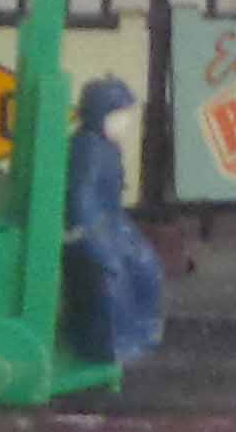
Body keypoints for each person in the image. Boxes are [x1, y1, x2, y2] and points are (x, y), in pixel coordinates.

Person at [64, 77, 169, 365]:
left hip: (114, 222)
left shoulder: (108, 147)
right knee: (112, 278)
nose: (126, 124)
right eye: (119, 116)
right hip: (94, 227)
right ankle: (113, 342)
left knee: (147, 265)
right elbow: (81, 196)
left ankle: (141, 331)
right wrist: (90, 236)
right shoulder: (88, 150)